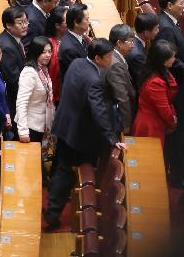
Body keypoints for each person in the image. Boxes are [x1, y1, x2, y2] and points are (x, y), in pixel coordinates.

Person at [44, 39, 123, 229]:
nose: (111, 60)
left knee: (62, 168)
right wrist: (112, 138)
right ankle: (54, 211)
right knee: (66, 172)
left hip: (64, 125)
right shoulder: (94, 80)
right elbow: (99, 112)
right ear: (98, 58)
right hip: (79, 134)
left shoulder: (77, 63)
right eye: (109, 57)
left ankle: (52, 209)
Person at [132, 40, 178, 144]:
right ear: (163, 60)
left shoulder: (157, 70)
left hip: (154, 120)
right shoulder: (155, 83)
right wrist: (173, 122)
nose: (174, 59)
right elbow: (164, 109)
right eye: (172, 57)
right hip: (151, 125)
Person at [15, 36, 55, 143]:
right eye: (43, 52)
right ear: (35, 52)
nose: (47, 55)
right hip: (30, 127)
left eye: (50, 51)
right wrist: (23, 131)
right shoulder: (29, 72)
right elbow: (21, 103)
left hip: (43, 125)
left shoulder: (44, 69)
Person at [103, 24, 137, 135]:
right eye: (130, 42)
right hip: (115, 117)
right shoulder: (115, 64)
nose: (133, 46)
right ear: (119, 43)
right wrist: (127, 124)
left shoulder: (115, 57)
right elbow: (122, 97)